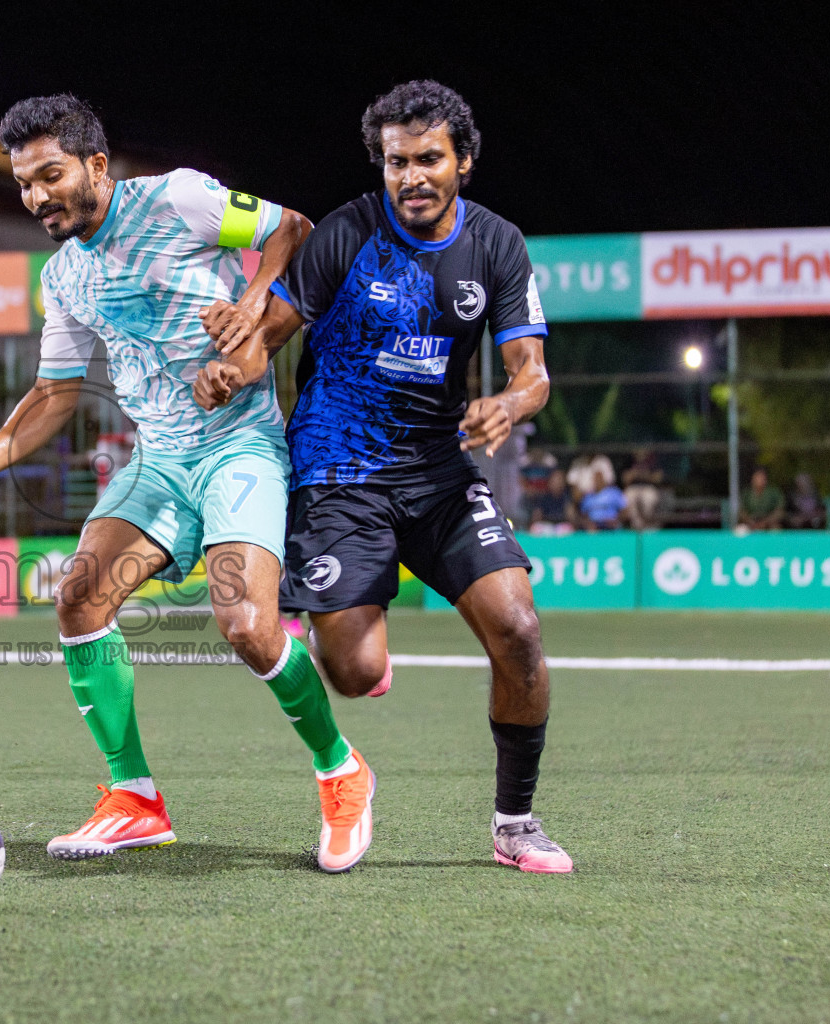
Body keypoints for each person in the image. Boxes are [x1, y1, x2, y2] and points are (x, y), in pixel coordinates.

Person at [0, 95, 376, 872]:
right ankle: (134, 800)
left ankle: (341, 770)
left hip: (239, 446)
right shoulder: (62, 276)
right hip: (159, 458)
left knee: (244, 624)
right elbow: (53, 395)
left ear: (96, 165)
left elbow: (290, 227)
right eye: (24, 183)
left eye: (50, 175)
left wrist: (255, 298)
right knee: (78, 599)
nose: (36, 197)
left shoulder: (178, 198)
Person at [197, 81, 572, 873]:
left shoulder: (498, 245)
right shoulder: (346, 233)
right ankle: (355, 634)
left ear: (462, 162)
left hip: (440, 469)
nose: (412, 176)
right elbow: (269, 334)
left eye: (429, 159)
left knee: (520, 631)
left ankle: (515, 824)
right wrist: (233, 370)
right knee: (353, 670)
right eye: (397, 161)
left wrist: (509, 403)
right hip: (339, 471)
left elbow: (531, 370)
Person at [621, 449, 663, 529]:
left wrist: (645, 475)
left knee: (648, 499)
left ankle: (648, 527)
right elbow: (625, 479)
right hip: (633, 488)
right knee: (628, 497)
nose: (640, 453)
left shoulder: (653, 461)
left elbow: (658, 478)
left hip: (648, 488)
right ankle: (638, 528)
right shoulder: (629, 461)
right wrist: (635, 474)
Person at [528, 468, 574, 534]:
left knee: (569, 529)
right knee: (535, 528)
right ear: (550, 481)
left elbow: (571, 517)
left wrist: (570, 510)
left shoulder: (566, 497)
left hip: (561, 526)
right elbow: (537, 516)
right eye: (555, 480)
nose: (557, 483)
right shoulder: (544, 497)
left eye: (560, 480)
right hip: (547, 526)